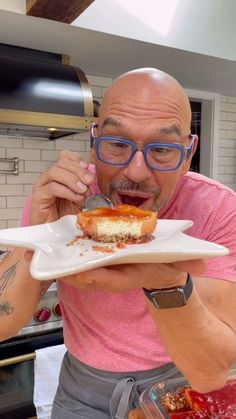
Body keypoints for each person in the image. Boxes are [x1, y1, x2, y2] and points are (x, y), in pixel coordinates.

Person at [0, 67, 236, 419]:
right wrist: (42, 235)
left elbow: (210, 372)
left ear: (188, 154)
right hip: (80, 392)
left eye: (162, 150)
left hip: (174, 389)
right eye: (116, 143)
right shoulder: (66, 199)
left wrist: (165, 280)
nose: (136, 172)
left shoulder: (218, 208)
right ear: (94, 141)